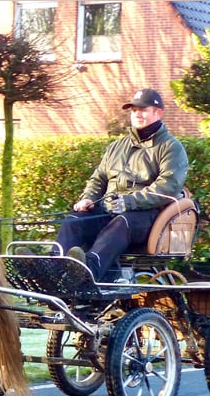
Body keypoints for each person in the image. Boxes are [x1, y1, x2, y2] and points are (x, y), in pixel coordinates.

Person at [55, 88, 189, 282]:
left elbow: (168, 186)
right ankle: (52, 267)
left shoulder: (171, 147)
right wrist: (88, 198)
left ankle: (87, 272)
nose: (137, 114)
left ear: (158, 113)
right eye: (134, 110)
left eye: (143, 110)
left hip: (146, 217)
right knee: (75, 220)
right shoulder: (117, 146)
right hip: (108, 210)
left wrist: (129, 202)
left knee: (121, 223)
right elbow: (98, 178)